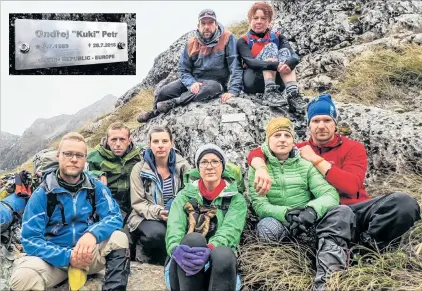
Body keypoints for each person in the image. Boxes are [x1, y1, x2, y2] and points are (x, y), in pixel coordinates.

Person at [248, 94, 421, 252]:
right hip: (320, 215)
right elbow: (260, 151)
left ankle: (367, 247)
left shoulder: (353, 148)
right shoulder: (298, 149)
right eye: (315, 121)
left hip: (354, 209)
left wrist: (316, 160)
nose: (321, 126)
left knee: (404, 203)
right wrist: (260, 167)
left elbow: (351, 186)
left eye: (327, 120)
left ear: (335, 123)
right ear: (308, 125)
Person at [9, 132, 129, 291]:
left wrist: (92, 234)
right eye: (68, 154)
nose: (74, 159)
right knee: (22, 277)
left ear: (85, 159)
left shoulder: (95, 187)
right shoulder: (42, 194)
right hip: (54, 262)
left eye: (79, 155)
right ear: (58, 156)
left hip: (88, 255)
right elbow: (30, 239)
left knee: (119, 238)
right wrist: (68, 257)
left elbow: (114, 216)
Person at [249, 117, 355, 289]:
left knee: (343, 211)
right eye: (276, 135)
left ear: (293, 141)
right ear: (267, 140)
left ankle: (326, 282)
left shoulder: (306, 165)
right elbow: (260, 205)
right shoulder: (257, 168)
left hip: (308, 222)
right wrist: (286, 213)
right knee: (266, 227)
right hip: (282, 223)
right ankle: (289, 264)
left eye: (287, 135)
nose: (282, 139)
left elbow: (329, 194)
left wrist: (311, 211)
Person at [137, 8, 243, 123]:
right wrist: (191, 83)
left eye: (210, 23)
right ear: (198, 26)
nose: (206, 27)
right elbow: (183, 70)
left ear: (216, 25)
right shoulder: (191, 43)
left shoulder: (227, 38)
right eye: (203, 23)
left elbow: (235, 66)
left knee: (211, 88)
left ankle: (175, 102)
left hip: (215, 82)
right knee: (163, 92)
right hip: (194, 80)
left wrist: (233, 90)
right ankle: (155, 113)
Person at [165, 144, 247, 291]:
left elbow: (231, 231)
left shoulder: (236, 199)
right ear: (198, 167)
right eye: (204, 162)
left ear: (222, 166)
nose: (210, 167)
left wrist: (209, 249)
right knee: (193, 240)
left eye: (215, 161)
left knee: (223, 253)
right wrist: (175, 248)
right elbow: (174, 227)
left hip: (219, 269)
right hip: (184, 266)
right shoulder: (184, 196)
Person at [127, 126, 192, 265]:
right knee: (159, 234)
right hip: (144, 215)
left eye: (164, 141)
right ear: (149, 144)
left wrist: (177, 212)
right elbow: (138, 203)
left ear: (171, 143)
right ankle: (142, 250)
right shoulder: (139, 169)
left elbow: (190, 192)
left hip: (175, 214)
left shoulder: (183, 166)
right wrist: (159, 212)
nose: (160, 146)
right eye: (156, 141)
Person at [237, 2, 307, 113]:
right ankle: (269, 92)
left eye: (263, 18)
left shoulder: (278, 37)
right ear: (250, 21)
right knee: (271, 47)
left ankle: (293, 94)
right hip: (253, 80)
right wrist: (274, 64)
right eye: (255, 18)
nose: (259, 21)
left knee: (285, 53)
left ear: (269, 21)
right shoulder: (243, 40)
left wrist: (288, 64)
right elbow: (251, 62)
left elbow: (294, 56)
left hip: (278, 81)